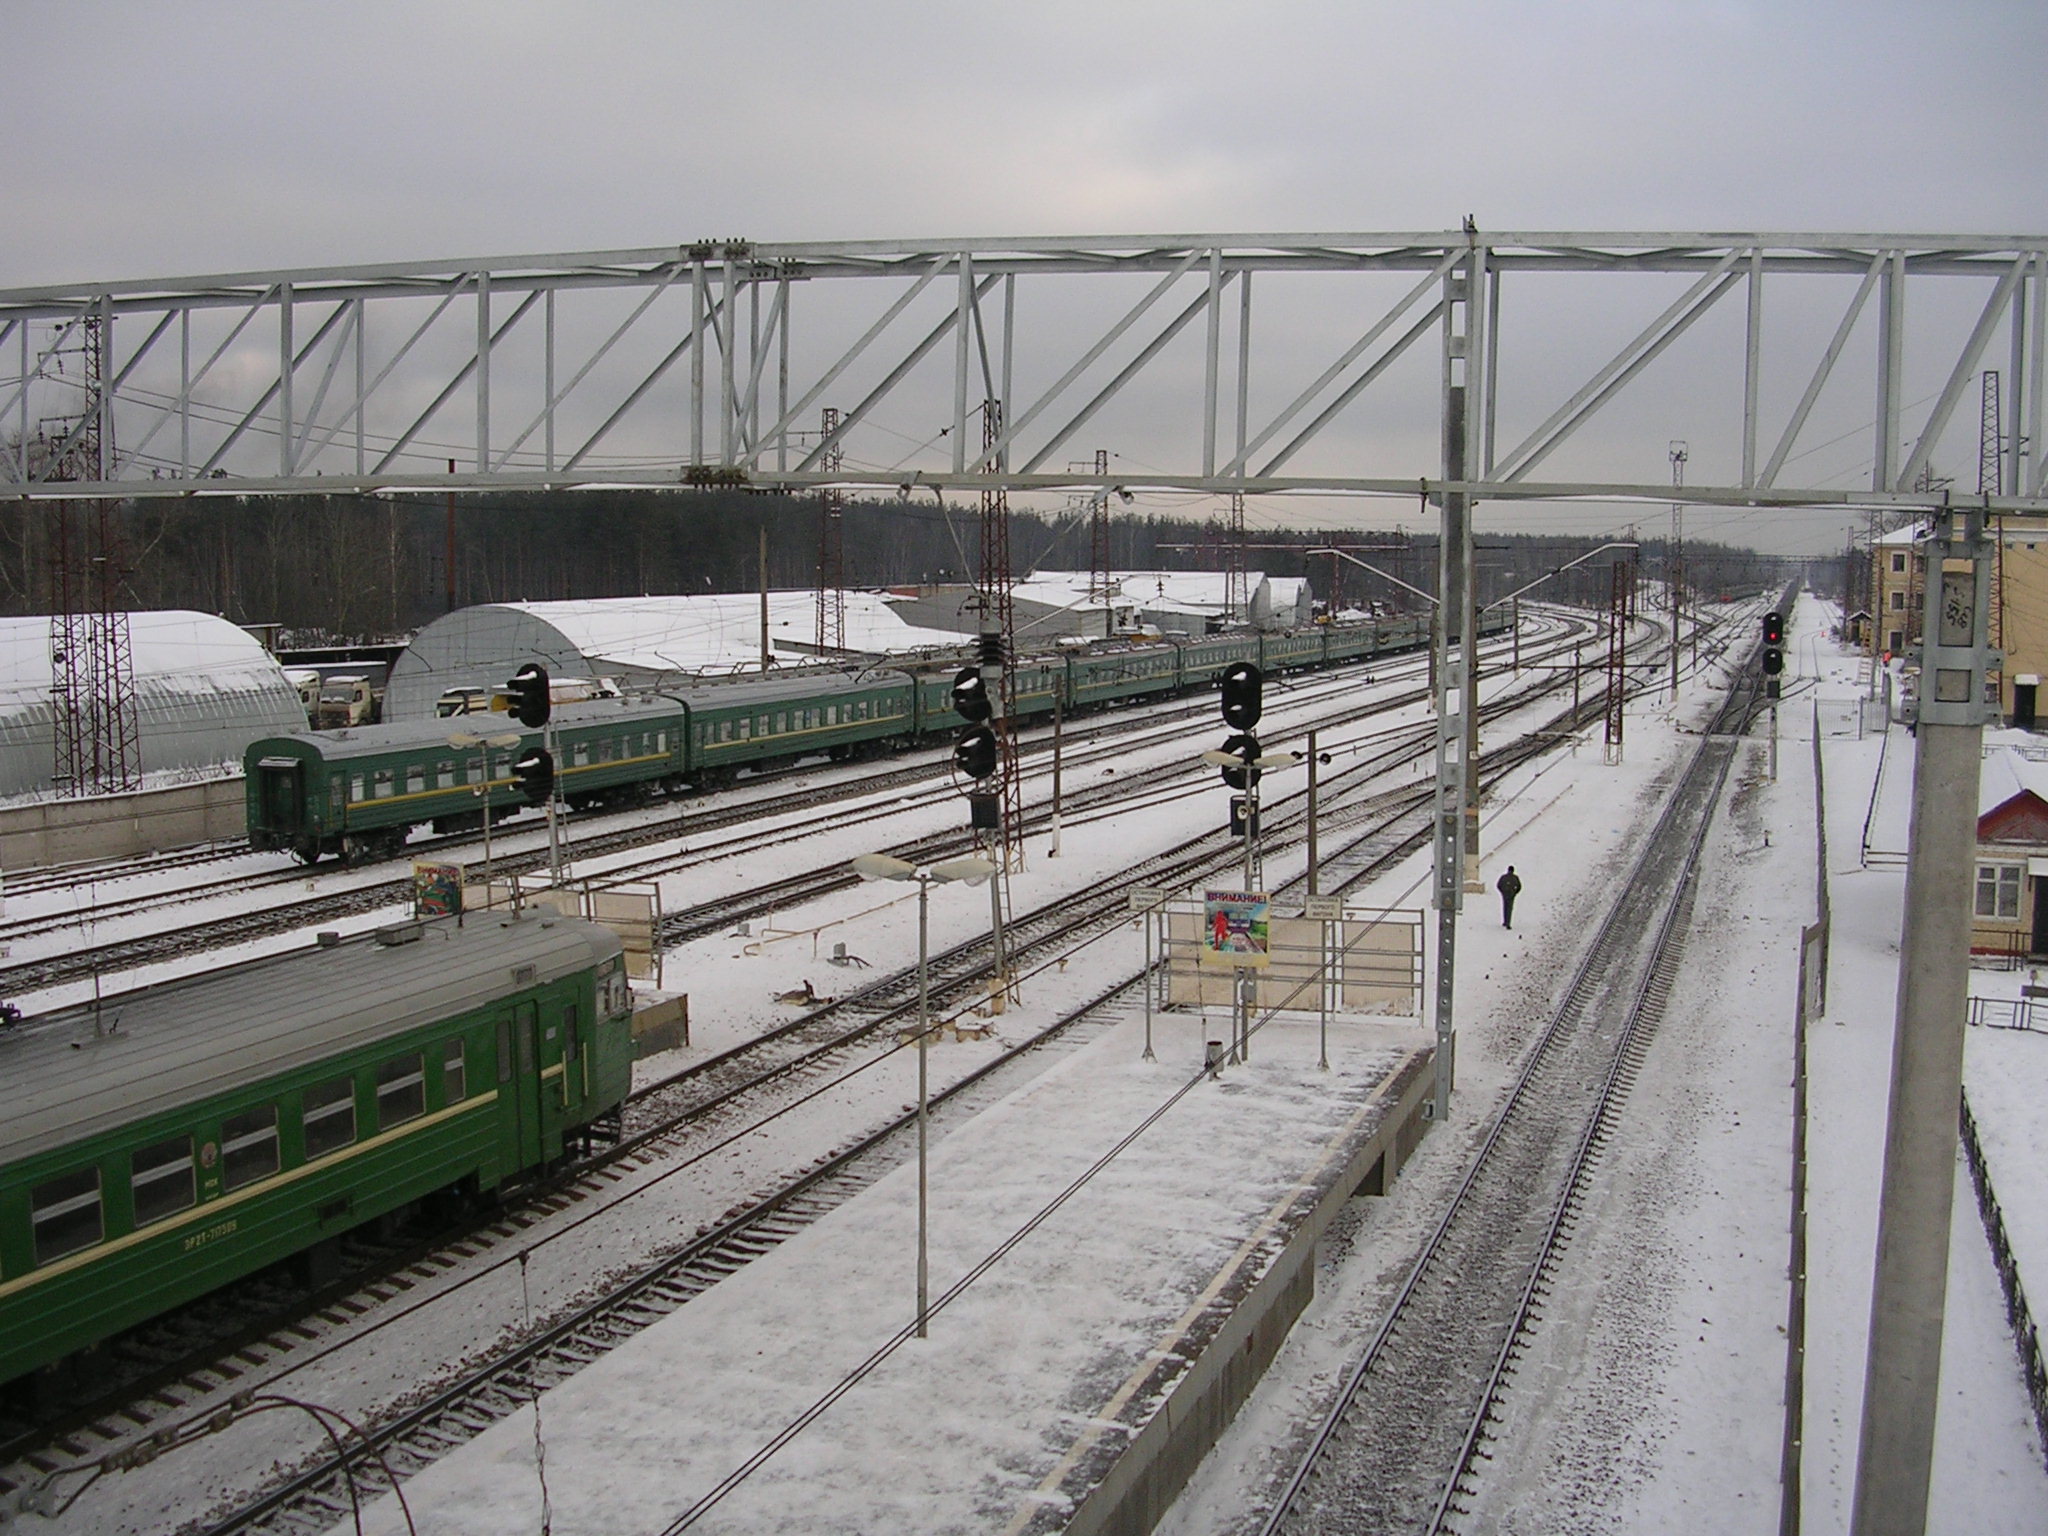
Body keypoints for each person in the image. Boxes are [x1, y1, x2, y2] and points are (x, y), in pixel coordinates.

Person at [1496, 866, 1522, 930]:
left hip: (1505, 894)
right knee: (1509, 908)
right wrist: (1515, 893)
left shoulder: (1503, 877)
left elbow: (1498, 885)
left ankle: (1505, 921)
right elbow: (1519, 887)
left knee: (1505, 907)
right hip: (1511, 895)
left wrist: (1502, 892)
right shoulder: (1515, 878)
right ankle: (1508, 923)